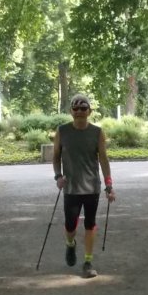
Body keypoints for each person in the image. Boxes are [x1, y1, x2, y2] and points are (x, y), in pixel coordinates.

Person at [52, 94, 115, 278]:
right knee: (70, 225)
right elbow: (56, 156)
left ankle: (88, 262)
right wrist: (58, 176)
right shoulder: (62, 131)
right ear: (71, 111)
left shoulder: (97, 132)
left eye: (83, 108)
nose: (79, 111)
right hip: (71, 187)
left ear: (90, 111)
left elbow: (103, 159)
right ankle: (70, 244)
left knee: (90, 224)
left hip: (91, 187)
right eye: (76, 108)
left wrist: (109, 185)